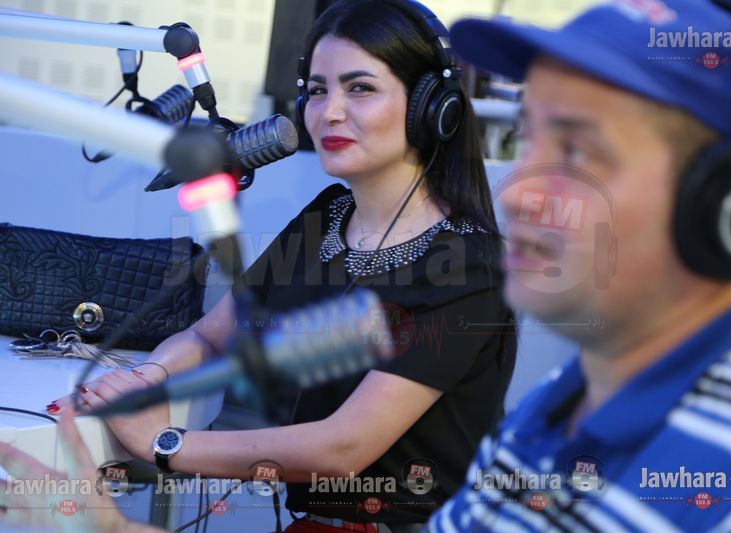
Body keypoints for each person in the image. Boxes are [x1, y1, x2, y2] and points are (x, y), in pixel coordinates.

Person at [2, 1, 515, 531]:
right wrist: (144, 378)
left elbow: (342, 449)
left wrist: (165, 443)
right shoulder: (328, 216)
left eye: (360, 88)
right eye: (318, 90)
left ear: (430, 106)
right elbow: (211, 335)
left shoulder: (467, 267)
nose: (329, 112)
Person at [426, 0, 731, 531]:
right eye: (524, 137)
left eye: (576, 152)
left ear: (730, 205)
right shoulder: (568, 394)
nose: (516, 195)